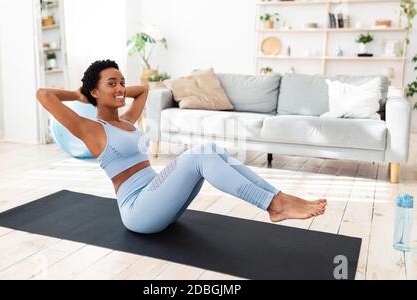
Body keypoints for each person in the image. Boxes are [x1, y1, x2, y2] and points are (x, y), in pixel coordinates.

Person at [36, 59, 327, 234]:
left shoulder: (126, 121)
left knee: (210, 148)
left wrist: (111, 88)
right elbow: (44, 94)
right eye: (112, 83)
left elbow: (144, 91)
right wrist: (79, 94)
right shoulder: (92, 130)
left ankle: (277, 198)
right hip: (139, 211)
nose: (121, 88)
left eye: (122, 82)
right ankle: (274, 205)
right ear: (95, 91)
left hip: (158, 198)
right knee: (199, 156)